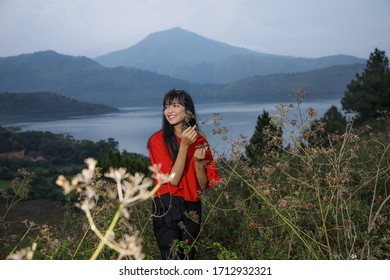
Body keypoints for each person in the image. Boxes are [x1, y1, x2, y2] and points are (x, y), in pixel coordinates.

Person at [147, 89, 220, 259]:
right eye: (166, 107)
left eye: (175, 105)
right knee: (172, 258)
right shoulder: (157, 140)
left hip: (192, 205)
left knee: (188, 258)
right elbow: (173, 180)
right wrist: (185, 146)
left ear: (188, 110)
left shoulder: (200, 141)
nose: (168, 111)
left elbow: (203, 185)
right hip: (167, 203)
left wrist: (198, 163)